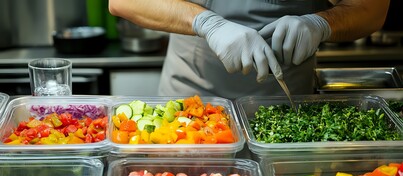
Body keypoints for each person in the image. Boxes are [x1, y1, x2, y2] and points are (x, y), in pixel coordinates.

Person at [109, 0, 390, 100]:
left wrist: (321, 24)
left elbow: (372, 10)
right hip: (193, 106)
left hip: (288, 106)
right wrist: (206, 22)